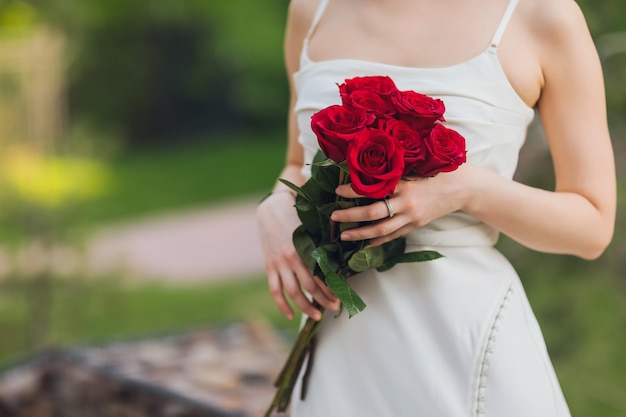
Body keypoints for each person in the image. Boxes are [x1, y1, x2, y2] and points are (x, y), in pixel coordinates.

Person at [256, 0, 616, 415]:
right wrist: (274, 206)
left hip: (462, 344)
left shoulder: (543, 15)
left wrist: (468, 189)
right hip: (339, 346)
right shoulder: (312, 9)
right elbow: (295, 163)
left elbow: (592, 226)